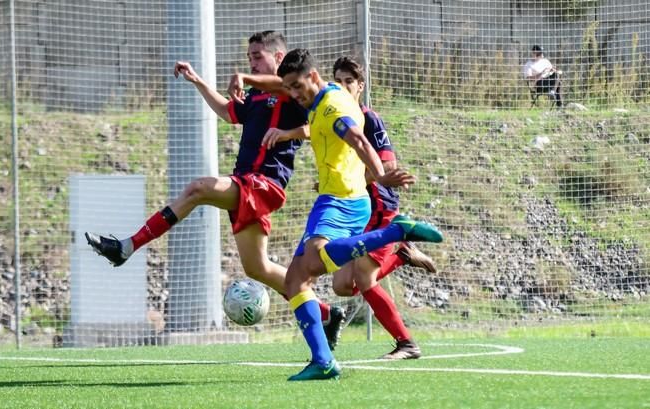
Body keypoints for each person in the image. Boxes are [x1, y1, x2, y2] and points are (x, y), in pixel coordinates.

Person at [84, 31, 345, 345]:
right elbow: (227, 111)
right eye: (249, 56)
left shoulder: (291, 90)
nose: (252, 61)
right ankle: (326, 313)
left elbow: (313, 125)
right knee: (258, 268)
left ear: (278, 58)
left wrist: (287, 132)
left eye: (258, 56)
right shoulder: (257, 95)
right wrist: (197, 80)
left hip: (265, 184)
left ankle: (127, 247)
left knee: (198, 189)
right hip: (246, 182)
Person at [276, 48, 443, 381]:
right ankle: (322, 361)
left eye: (297, 86)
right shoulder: (324, 99)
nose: (293, 94)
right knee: (298, 280)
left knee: (316, 264)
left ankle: (396, 235)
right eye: (288, 88)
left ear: (312, 77)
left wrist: (380, 176)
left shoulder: (335, 106)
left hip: (347, 200)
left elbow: (358, 140)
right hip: (332, 197)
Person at [328, 56, 435, 360]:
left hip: (378, 204)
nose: (344, 86)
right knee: (341, 285)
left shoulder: (368, 119)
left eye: (349, 81)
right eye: (338, 81)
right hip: (352, 207)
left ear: (360, 86)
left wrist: (350, 178)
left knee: (364, 279)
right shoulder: (336, 121)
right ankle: (400, 254)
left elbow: (387, 165)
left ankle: (407, 343)